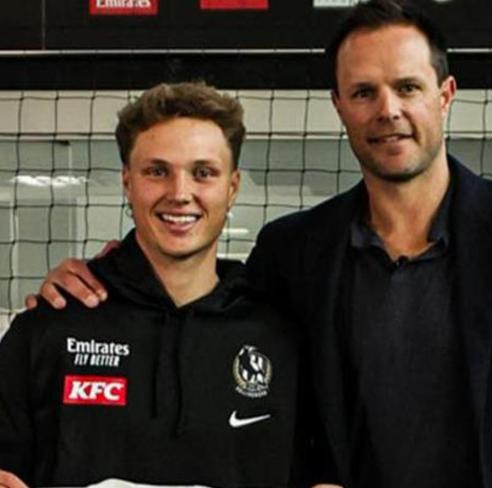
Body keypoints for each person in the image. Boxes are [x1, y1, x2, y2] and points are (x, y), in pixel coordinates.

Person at [22, 1, 492, 487]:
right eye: (363, 92)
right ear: (339, 106)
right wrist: (108, 277)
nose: (388, 110)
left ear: (445, 95)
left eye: (407, 87)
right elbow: (195, 296)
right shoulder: (296, 251)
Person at [0, 82, 322, 488]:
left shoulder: (280, 333)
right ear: (127, 182)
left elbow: (321, 472)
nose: (180, 193)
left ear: (233, 187)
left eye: (203, 173)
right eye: (157, 171)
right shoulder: (53, 324)